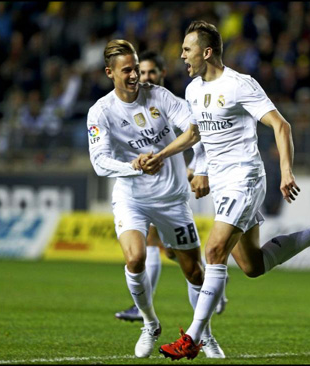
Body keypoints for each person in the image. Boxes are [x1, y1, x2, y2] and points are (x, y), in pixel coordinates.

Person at [139, 20, 310, 360]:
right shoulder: (194, 90)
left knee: (214, 252)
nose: (181, 55)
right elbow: (195, 134)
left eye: (187, 49)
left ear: (207, 52)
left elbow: (281, 125)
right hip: (223, 183)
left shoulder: (240, 85)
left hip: (245, 178)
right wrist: (162, 155)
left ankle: (194, 339)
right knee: (253, 266)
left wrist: (286, 171)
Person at [87, 39, 224, 358]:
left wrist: (200, 167)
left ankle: (203, 334)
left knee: (194, 271)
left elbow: (197, 128)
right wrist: (132, 166)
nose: (135, 75)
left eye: (136, 68)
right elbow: (99, 161)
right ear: (110, 73)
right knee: (134, 259)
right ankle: (149, 324)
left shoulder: (160, 97)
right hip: (131, 198)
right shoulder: (101, 112)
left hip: (172, 199)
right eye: (127, 70)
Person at [114, 50, 229, 322]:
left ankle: (208, 290)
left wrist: (197, 170)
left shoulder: (175, 103)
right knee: (165, 249)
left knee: (171, 251)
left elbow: (201, 138)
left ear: (162, 74)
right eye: (141, 73)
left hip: (175, 187)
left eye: (151, 72)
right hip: (147, 188)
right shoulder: (133, 106)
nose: (145, 77)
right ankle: (208, 285)